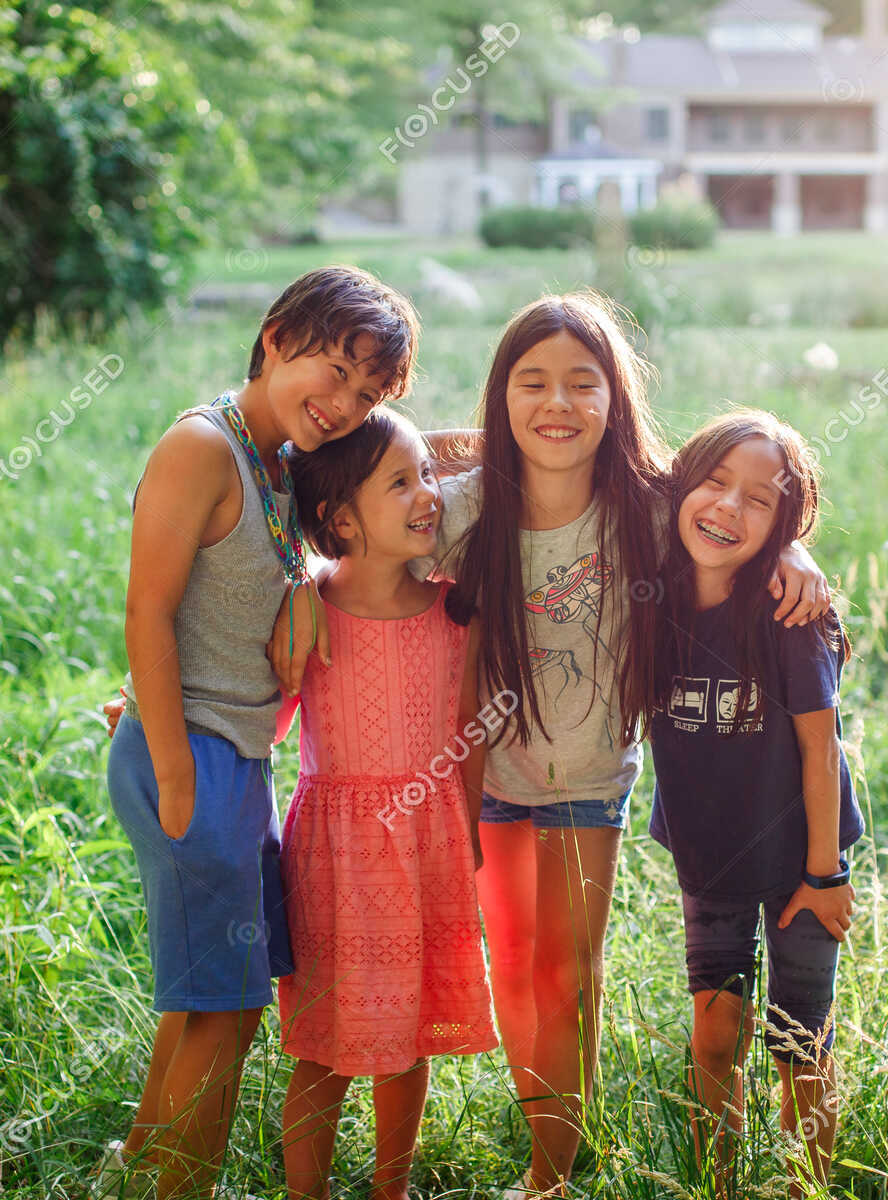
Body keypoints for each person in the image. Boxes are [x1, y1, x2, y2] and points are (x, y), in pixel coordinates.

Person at [275, 291, 832, 1198]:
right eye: (532, 383)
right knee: (517, 975)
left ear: (615, 400)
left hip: (587, 779)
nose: (558, 404)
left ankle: (551, 1177)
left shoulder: (648, 509)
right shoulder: (465, 508)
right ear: (503, 397)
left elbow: (732, 525)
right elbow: (367, 524)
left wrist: (795, 554)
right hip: (490, 778)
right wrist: (306, 585)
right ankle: (549, 1158)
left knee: (568, 975)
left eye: (583, 383)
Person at [99, 265, 419, 1200]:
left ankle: (144, 1165)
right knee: (223, 1005)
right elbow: (146, 611)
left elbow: (406, 460)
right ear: (277, 336)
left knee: (222, 1006)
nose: (344, 403)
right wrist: (172, 771)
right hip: (187, 754)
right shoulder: (204, 447)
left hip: (236, 758)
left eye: (368, 394)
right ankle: (176, 1185)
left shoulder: (283, 459)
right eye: (333, 369)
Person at [275, 408, 497, 1200]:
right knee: (323, 1045)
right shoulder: (305, 608)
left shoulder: (453, 610)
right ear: (339, 519)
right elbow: (259, 717)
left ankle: (390, 1190)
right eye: (401, 483)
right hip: (333, 865)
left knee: (408, 1041)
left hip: (426, 851)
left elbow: (470, 734)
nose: (428, 494)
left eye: (429, 476)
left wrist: (467, 839)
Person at [647, 410, 864, 1197]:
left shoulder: (790, 616)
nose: (730, 508)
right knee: (716, 1033)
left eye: (760, 500)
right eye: (715, 483)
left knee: (799, 1044)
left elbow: (820, 749)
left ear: (785, 523)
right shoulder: (650, 597)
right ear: (680, 485)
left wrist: (825, 873)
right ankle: (721, 1185)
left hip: (804, 857)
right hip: (710, 857)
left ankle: (810, 1186)